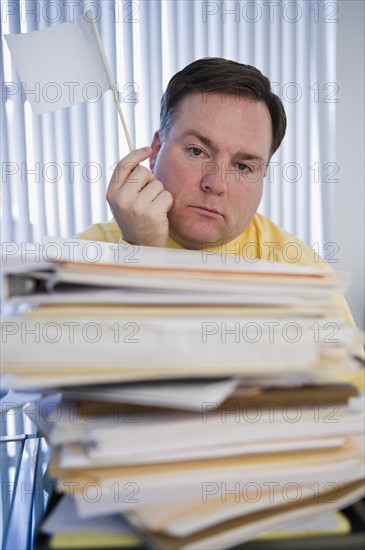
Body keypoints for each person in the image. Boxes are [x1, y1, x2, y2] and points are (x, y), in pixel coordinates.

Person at [75, 57, 354, 325]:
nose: (216, 184)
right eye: (197, 151)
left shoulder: (302, 273)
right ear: (156, 150)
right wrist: (139, 255)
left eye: (243, 167)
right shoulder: (86, 255)